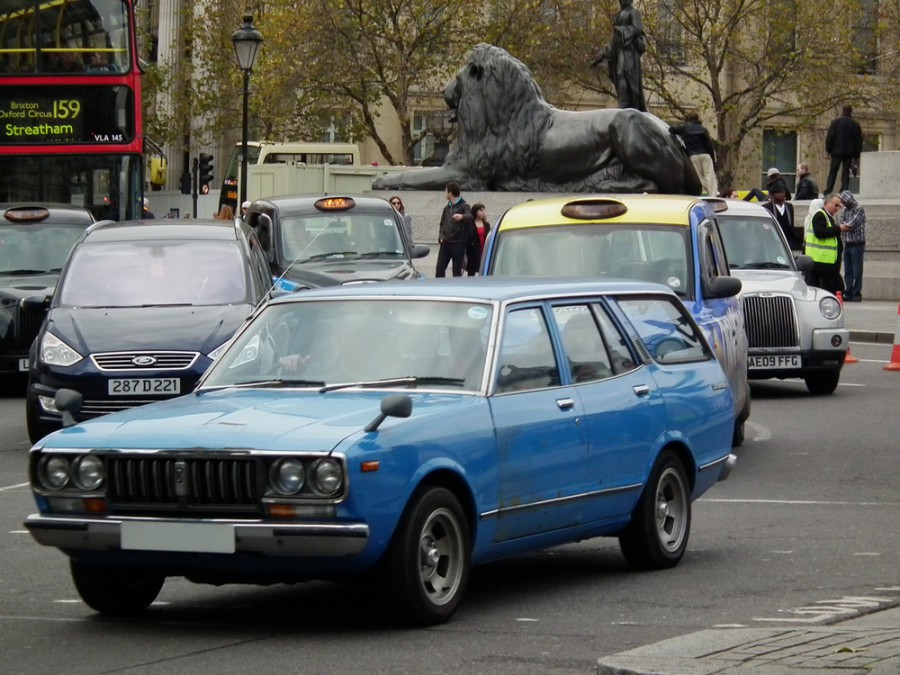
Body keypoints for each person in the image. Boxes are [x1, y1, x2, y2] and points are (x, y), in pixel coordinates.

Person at [591, 0, 646, 111]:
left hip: (628, 50)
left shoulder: (634, 12)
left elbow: (637, 29)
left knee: (624, 73)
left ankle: (626, 103)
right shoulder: (619, 14)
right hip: (618, 49)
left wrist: (621, 29)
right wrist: (602, 54)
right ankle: (623, 101)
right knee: (619, 74)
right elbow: (613, 40)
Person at [668, 111, 717, 196]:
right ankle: (713, 194)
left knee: (699, 177)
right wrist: (712, 159)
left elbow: (671, 129)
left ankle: (705, 191)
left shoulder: (685, 128)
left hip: (693, 155)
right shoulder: (703, 129)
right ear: (697, 118)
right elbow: (709, 145)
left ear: (688, 119)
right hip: (705, 154)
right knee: (709, 176)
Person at [804, 193, 845, 294]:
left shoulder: (826, 216)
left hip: (825, 261)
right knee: (836, 288)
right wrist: (839, 229)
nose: (837, 208)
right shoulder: (820, 215)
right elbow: (820, 232)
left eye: (839, 206)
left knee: (827, 289)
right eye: (836, 205)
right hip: (821, 261)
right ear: (828, 203)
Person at [435, 182, 473, 278]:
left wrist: (462, 216)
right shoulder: (446, 208)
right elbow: (442, 223)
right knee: (439, 269)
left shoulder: (464, 205)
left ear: (450, 193)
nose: (445, 194)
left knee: (456, 271)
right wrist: (440, 236)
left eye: (446, 191)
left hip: (458, 243)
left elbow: (470, 217)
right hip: (445, 243)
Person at [824, 105, 863, 195]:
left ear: (843, 111)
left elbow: (830, 137)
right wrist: (857, 154)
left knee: (833, 170)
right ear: (851, 111)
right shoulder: (855, 124)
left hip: (836, 150)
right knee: (846, 171)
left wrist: (828, 149)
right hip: (849, 152)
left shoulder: (835, 122)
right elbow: (858, 140)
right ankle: (844, 189)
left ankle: (828, 190)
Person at [838, 190, 866, 302]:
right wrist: (844, 226)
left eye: (844, 201)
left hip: (857, 244)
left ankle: (856, 292)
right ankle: (848, 291)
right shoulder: (845, 210)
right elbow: (841, 222)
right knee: (848, 270)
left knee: (857, 270)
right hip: (848, 243)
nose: (843, 204)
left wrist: (844, 226)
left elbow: (852, 224)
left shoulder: (859, 208)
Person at [762, 186, 800, 251]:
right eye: (778, 193)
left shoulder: (789, 207)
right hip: (772, 239)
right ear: (773, 195)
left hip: (787, 239)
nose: (780, 194)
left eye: (782, 192)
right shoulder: (766, 207)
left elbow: (791, 225)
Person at [465, 203, 491, 276]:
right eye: (480, 210)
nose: (483, 212)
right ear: (475, 212)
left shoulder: (486, 224)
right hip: (473, 251)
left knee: (483, 268)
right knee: (472, 271)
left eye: (483, 210)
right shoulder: (470, 224)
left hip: (484, 248)